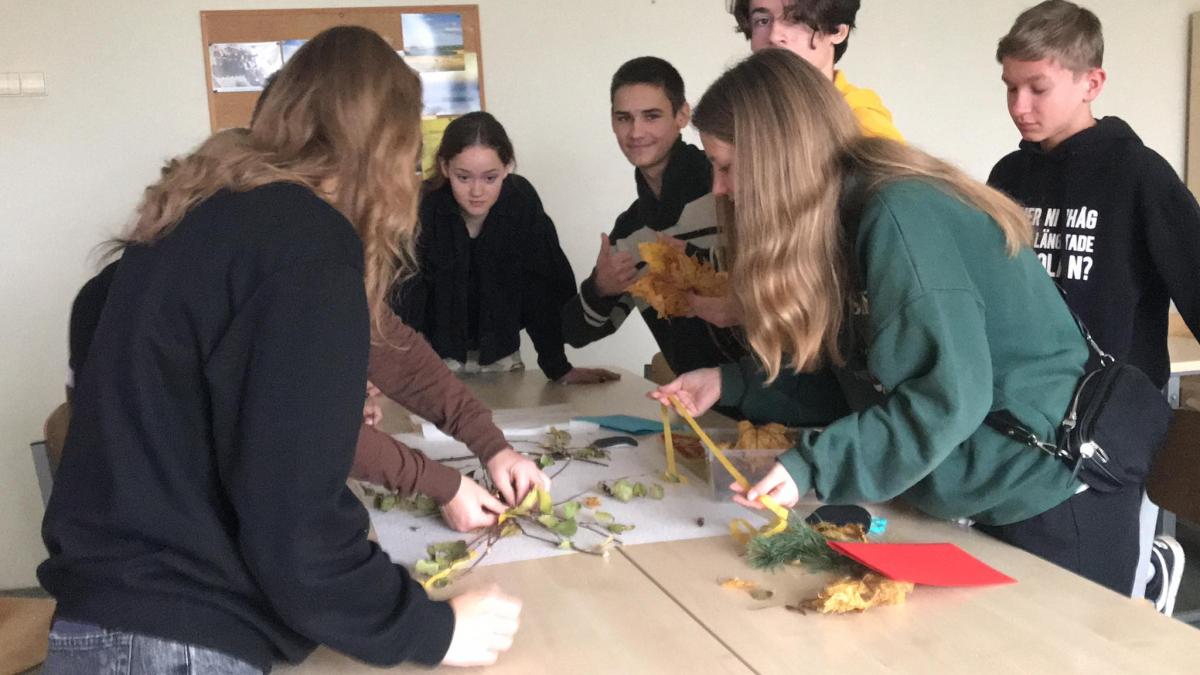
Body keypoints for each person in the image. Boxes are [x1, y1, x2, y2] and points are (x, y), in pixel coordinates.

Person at [40, 27, 520, 673]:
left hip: (105, 619)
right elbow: (297, 527)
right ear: (387, 150)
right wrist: (433, 630)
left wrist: (487, 441)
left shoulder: (211, 219)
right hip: (178, 637)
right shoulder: (305, 246)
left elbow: (383, 345)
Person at [652, 48, 1143, 596]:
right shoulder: (843, 217)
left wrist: (812, 467)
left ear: (778, 158)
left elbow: (947, 398)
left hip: (1052, 495)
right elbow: (861, 386)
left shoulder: (897, 212)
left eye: (725, 165)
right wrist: (729, 383)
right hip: (985, 489)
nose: (718, 188)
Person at [987, 0, 1198, 614]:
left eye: (1037, 87)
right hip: (1023, 423)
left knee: (1091, 613)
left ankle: (1146, 575)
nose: (1019, 105)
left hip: (1108, 430)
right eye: (1010, 87)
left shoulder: (1139, 174)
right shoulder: (1008, 175)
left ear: (1091, 83)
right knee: (1015, 599)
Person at [392, 111, 618, 385]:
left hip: (501, 357)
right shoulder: (422, 207)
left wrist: (558, 367)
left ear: (508, 166)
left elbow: (540, 291)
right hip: (429, 356)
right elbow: (405, 299)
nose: (477, 191)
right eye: (463, 178)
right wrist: (393, 369)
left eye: (490, 178)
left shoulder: (521, 202)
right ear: (444, 167)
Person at [561, 56, 746, 381]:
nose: (636, 132)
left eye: (651, 116)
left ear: (682, 115)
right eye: (624, 118)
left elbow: (787, 294)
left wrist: (697, 262)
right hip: (697, 402)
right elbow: (576, 334)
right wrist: (600, 288)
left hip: (777, 395)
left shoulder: (732, 192)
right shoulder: (631, 230)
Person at [728, 0, 903, 141]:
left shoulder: (861, 124)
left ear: (837, 32)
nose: (774, 36)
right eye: (762, 21)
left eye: (795, 19)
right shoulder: (737, 112)